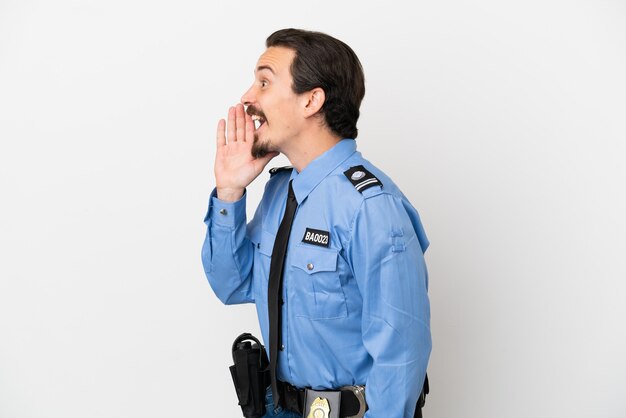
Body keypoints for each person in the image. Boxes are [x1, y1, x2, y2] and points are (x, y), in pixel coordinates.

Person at [202, 28, 431, 418]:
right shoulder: (279, 193)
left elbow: (401, 355)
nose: (247, 98)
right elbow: (232, 284)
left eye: (264, 81)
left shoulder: (370, 207)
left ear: (311, 100)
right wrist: (228, 192)